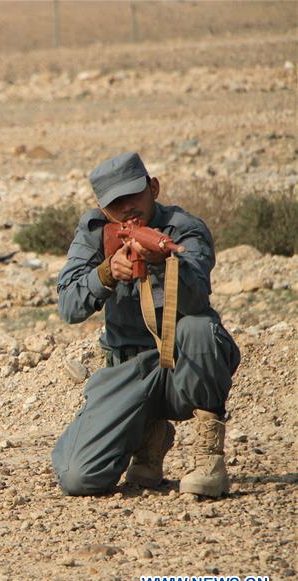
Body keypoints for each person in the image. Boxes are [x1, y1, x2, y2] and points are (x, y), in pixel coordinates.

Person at [52, 151, 240, 498]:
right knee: (80, 478)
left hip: (183, 368)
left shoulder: (185, 229)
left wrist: (162, 263)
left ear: (153, 187)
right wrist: (106, 273)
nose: (127, 209)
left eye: (133, 196)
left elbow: (197, 298)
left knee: (198, 328)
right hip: (129, 371)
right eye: (115, 203)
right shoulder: (95, 233)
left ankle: (208, 458)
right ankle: (148, 437)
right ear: (103, 208)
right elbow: (68, 307)